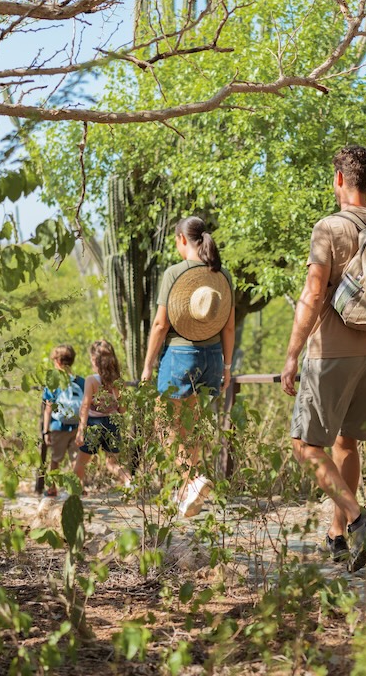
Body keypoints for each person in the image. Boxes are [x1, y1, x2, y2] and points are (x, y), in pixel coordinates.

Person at [281, 145, 366, 572]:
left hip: (331, 353)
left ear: (338, 179)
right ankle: (337, 536)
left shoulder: (329, 228)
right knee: (346, 441)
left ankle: (359, 520)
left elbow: (312, 292)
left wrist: (291, 354)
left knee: (305, 447)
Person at [140, 216, 235, 517]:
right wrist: (228, 368)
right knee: (190, 427)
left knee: (165, 424)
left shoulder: (175, 273)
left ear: (182, 239)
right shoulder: (223, 275)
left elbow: (159, 324)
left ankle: (191, 482)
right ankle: (186, 492)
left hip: (179, 356)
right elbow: (229, 328)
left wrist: (147, 366)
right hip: (213, 357)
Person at [74, 340, 132, 488]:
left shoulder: (91, 380)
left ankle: (74, 490)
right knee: (112, 463)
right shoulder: (119, 382)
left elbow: (85, 405)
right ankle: (130, 482)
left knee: (81, 461)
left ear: (94, 360)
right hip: (113, 424)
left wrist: (81, 430)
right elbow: (123, 409)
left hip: (94, 424)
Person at [41, 344, 86, 497]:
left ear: (58, 362)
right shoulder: (81, 381)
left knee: (55, 459)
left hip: (58, 426)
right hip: (76, 426)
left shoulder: (53, 382)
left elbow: (48, 408)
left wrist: (46, 430)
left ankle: (52, 487)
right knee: (76, 459)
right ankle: (78, 486)